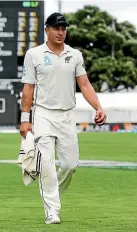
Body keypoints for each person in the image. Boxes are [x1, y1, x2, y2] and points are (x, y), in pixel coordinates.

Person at [20, 12, 107, 224]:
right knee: (47, 165)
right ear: (47, 30)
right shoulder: (34, 54)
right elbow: (28, 88)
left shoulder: (75, 55)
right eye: (56, 28)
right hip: (43, 114)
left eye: (63, 28)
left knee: (70, 165)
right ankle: (51, 209)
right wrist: (25, 118)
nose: (61, 32)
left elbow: (84, 84)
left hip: (67, 115)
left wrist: (98, 107)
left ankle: (52, 194)